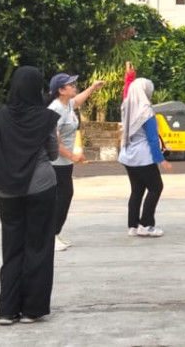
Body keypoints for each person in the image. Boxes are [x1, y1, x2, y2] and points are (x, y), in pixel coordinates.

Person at [0, 65, 61, 326]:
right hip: (40, 186)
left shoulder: (0, 115)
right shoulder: (45, 117)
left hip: (8, 188)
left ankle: (7, 310)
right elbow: (53, 154)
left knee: (12, 247)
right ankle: (32, 309)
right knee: (38, 246)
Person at [47, 72, 107, 251]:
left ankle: (54, 233)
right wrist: (73, 156)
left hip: (64, 162)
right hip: (55, 163)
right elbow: (52, 141)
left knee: (64, 197)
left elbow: (78, 100)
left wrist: (93, 88)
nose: (74, 87)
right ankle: (50, 236)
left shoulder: (67, 105)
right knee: (61, 199)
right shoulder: (55, 109)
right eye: (70, 85)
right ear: (61, 90)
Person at [119, 78, 174, 237]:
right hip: (143, 156)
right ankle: (146, 224)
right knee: (156, 188)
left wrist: (129, 77)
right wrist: (161, 159)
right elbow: (152, 138)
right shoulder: (146, 111)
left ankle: (133, 225)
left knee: (137, 190)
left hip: (128, 154)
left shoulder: (126, 106)